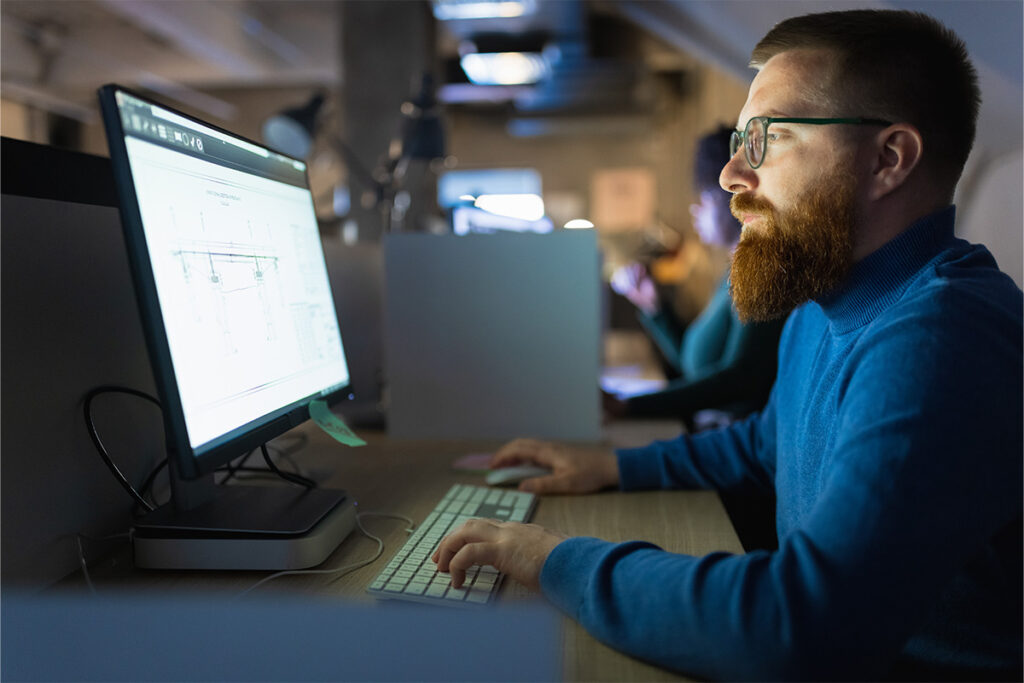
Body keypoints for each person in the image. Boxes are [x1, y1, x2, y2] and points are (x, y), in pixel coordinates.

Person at [433, 9, 1023, 680]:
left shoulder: (940, 338)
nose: (730, 175)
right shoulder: (823, 308)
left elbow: (800, 622)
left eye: (768, 138)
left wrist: (554, 558)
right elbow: (764, 442)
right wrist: (615, 467)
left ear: (888, 159)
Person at [606, 126, 785, 428]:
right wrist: (655, 308)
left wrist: (627, 407)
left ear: (736, 198)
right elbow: (696, 365)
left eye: (705, 198)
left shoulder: (764, 273)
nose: (695, 209)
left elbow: (740, 381)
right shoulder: (733, 272)